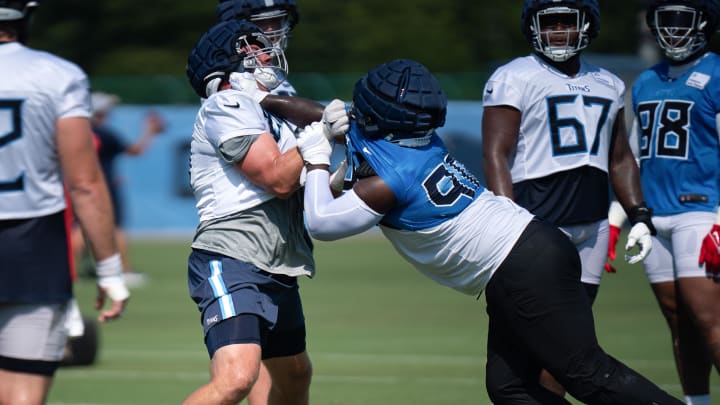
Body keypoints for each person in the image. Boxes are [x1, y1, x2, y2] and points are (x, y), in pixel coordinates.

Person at [296, 57, 682, 404]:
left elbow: (320, 222)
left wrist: (316, 158)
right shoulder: (417, 141)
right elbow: (320, 113)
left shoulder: (393, 177)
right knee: (509, 388)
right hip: (527, 253)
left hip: (521, 264)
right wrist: (261, 100)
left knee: (588, 375)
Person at [480, 0, 656, 395]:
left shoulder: (609, 83)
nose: (558, 30)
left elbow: (621, 157)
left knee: (566, 355)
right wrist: (507, 219)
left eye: (567, 21)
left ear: (587, 26)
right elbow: (496, 153)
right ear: (532, 27)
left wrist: (639, 214)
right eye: (550, 22)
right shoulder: (514, 76)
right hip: (536, 226)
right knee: (516, 363)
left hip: (590, 227)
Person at [182, 19, 342, 405]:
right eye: (253, 47)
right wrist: (322, 133)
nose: (267, 54)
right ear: (227, 61)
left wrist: (339, 179)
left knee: (294, 375)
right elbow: (276, 178)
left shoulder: (267, 114)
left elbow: (300, 191)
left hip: (277, 259)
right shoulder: (226, 103)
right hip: (234, 253)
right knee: (237, 378)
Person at [0, 1, 130, 403]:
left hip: (32, 241)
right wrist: (109, 269)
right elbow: (85, 183)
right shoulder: (58, 75)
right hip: (31, 242)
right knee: (22, 390)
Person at [608, 1, 720, 404]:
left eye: (682, 21)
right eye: (665, 21)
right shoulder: (647, 80)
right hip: (654, 216)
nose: (672, 30)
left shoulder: (717, 73)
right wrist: (618, 217)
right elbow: (634, 156)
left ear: (705, 23)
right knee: (678, 323)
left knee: (710, 320)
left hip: (701, 210)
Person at [70, 92, 165, 286]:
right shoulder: (106, 134)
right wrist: (150, 131)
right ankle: (125, 270)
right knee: (116, 227)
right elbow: (135, 151)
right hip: (105, 186)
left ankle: (72, 273)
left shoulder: (77, 133)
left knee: (79, 228)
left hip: (78, 185)